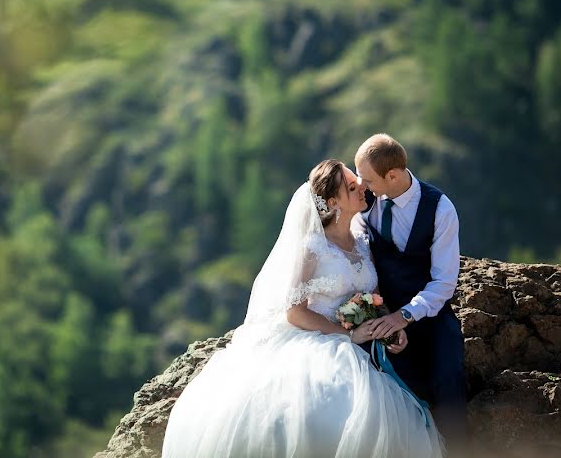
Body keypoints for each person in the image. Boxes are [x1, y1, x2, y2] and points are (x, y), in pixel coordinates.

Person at [162, 160, 443, 458]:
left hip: (360, 338)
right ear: (333, 202)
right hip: (319, 340)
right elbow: (294, 312)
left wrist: (387, 327)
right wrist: (347, 336)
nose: (362, 186)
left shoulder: (362, 241)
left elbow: (372, 295)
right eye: (351, 186)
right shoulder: (313, 247)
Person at [353, 133, 467, 448]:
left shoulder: (440, 209)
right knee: (383, 386)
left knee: (448, 378)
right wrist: (383, 315)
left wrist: (405, 315)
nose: (361, 186)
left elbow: (444, 282)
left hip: (430, 314)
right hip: (382, 312)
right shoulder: (363, 206)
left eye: (367, 179)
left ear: (392, 175)